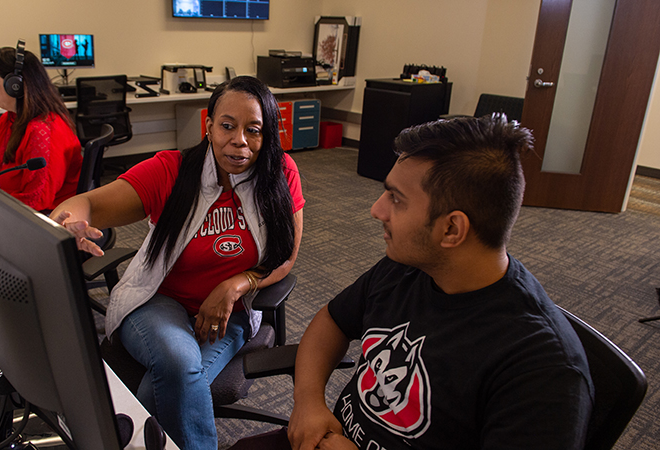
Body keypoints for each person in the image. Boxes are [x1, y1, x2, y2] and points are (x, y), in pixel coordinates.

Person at [288, 114, 593, 450]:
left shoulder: (542, 370)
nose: (377, 210)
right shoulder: (408, 266)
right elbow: (332, 320)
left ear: (451, 230)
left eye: (397, 199)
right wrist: (308, 402)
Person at [50, 76, 305, 450]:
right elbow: (88, 203)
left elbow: (285, 256)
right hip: (158, 301)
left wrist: (234, 286)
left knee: (164, 389)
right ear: (209, 126)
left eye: (254, 130)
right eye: (227, 126)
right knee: (178, 362)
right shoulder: (171, 170)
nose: (239, 141)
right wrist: (65, 220)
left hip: (229, 312)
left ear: (267, 135)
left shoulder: (280, 173)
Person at [0, 44, 82, 211]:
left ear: (15, 86)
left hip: (42, 219)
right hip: (6, 206)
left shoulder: (42, 131)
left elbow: (35, 200)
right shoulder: (9, 119)